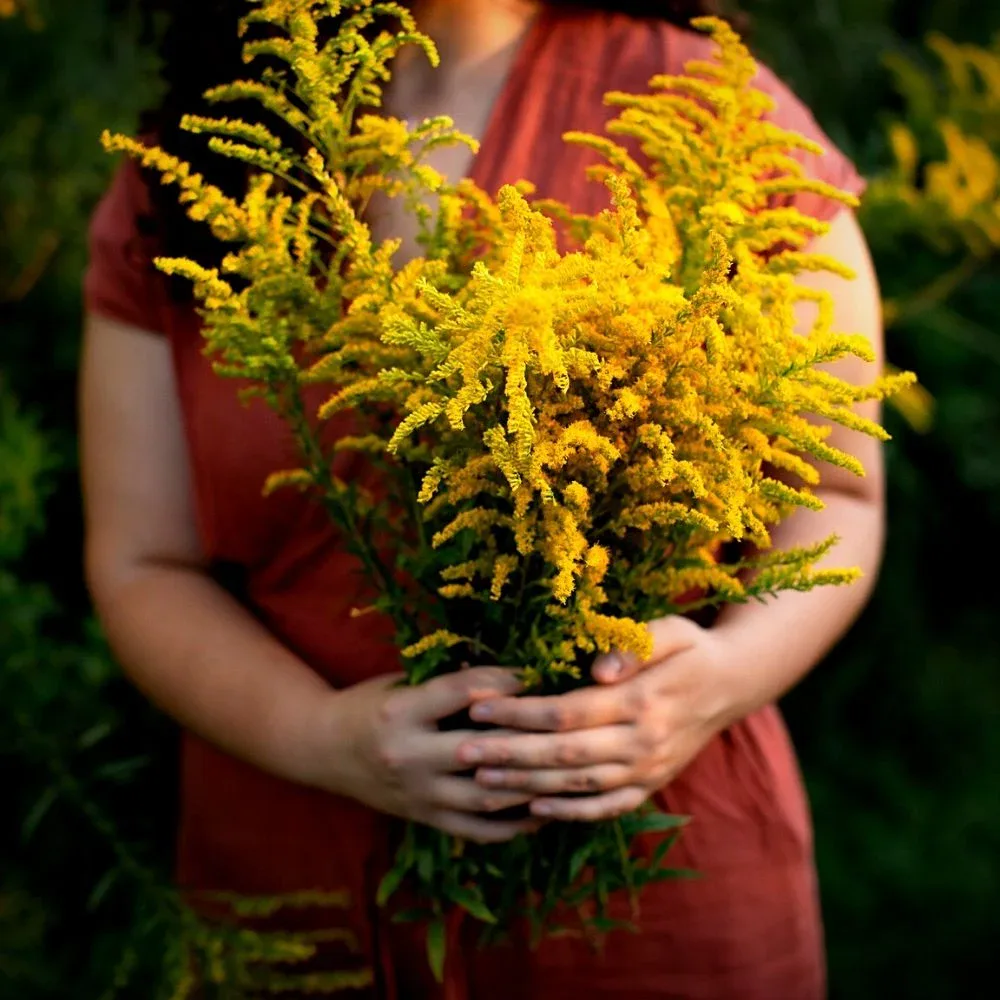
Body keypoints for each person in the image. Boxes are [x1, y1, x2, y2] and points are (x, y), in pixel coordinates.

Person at [80, 1, 883, 996]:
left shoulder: (717, 109)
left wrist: (714, 676)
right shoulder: (190, 168)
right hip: (290, 888)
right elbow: (139, 559)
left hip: (647, 903)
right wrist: (321, 738)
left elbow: (842, 494)